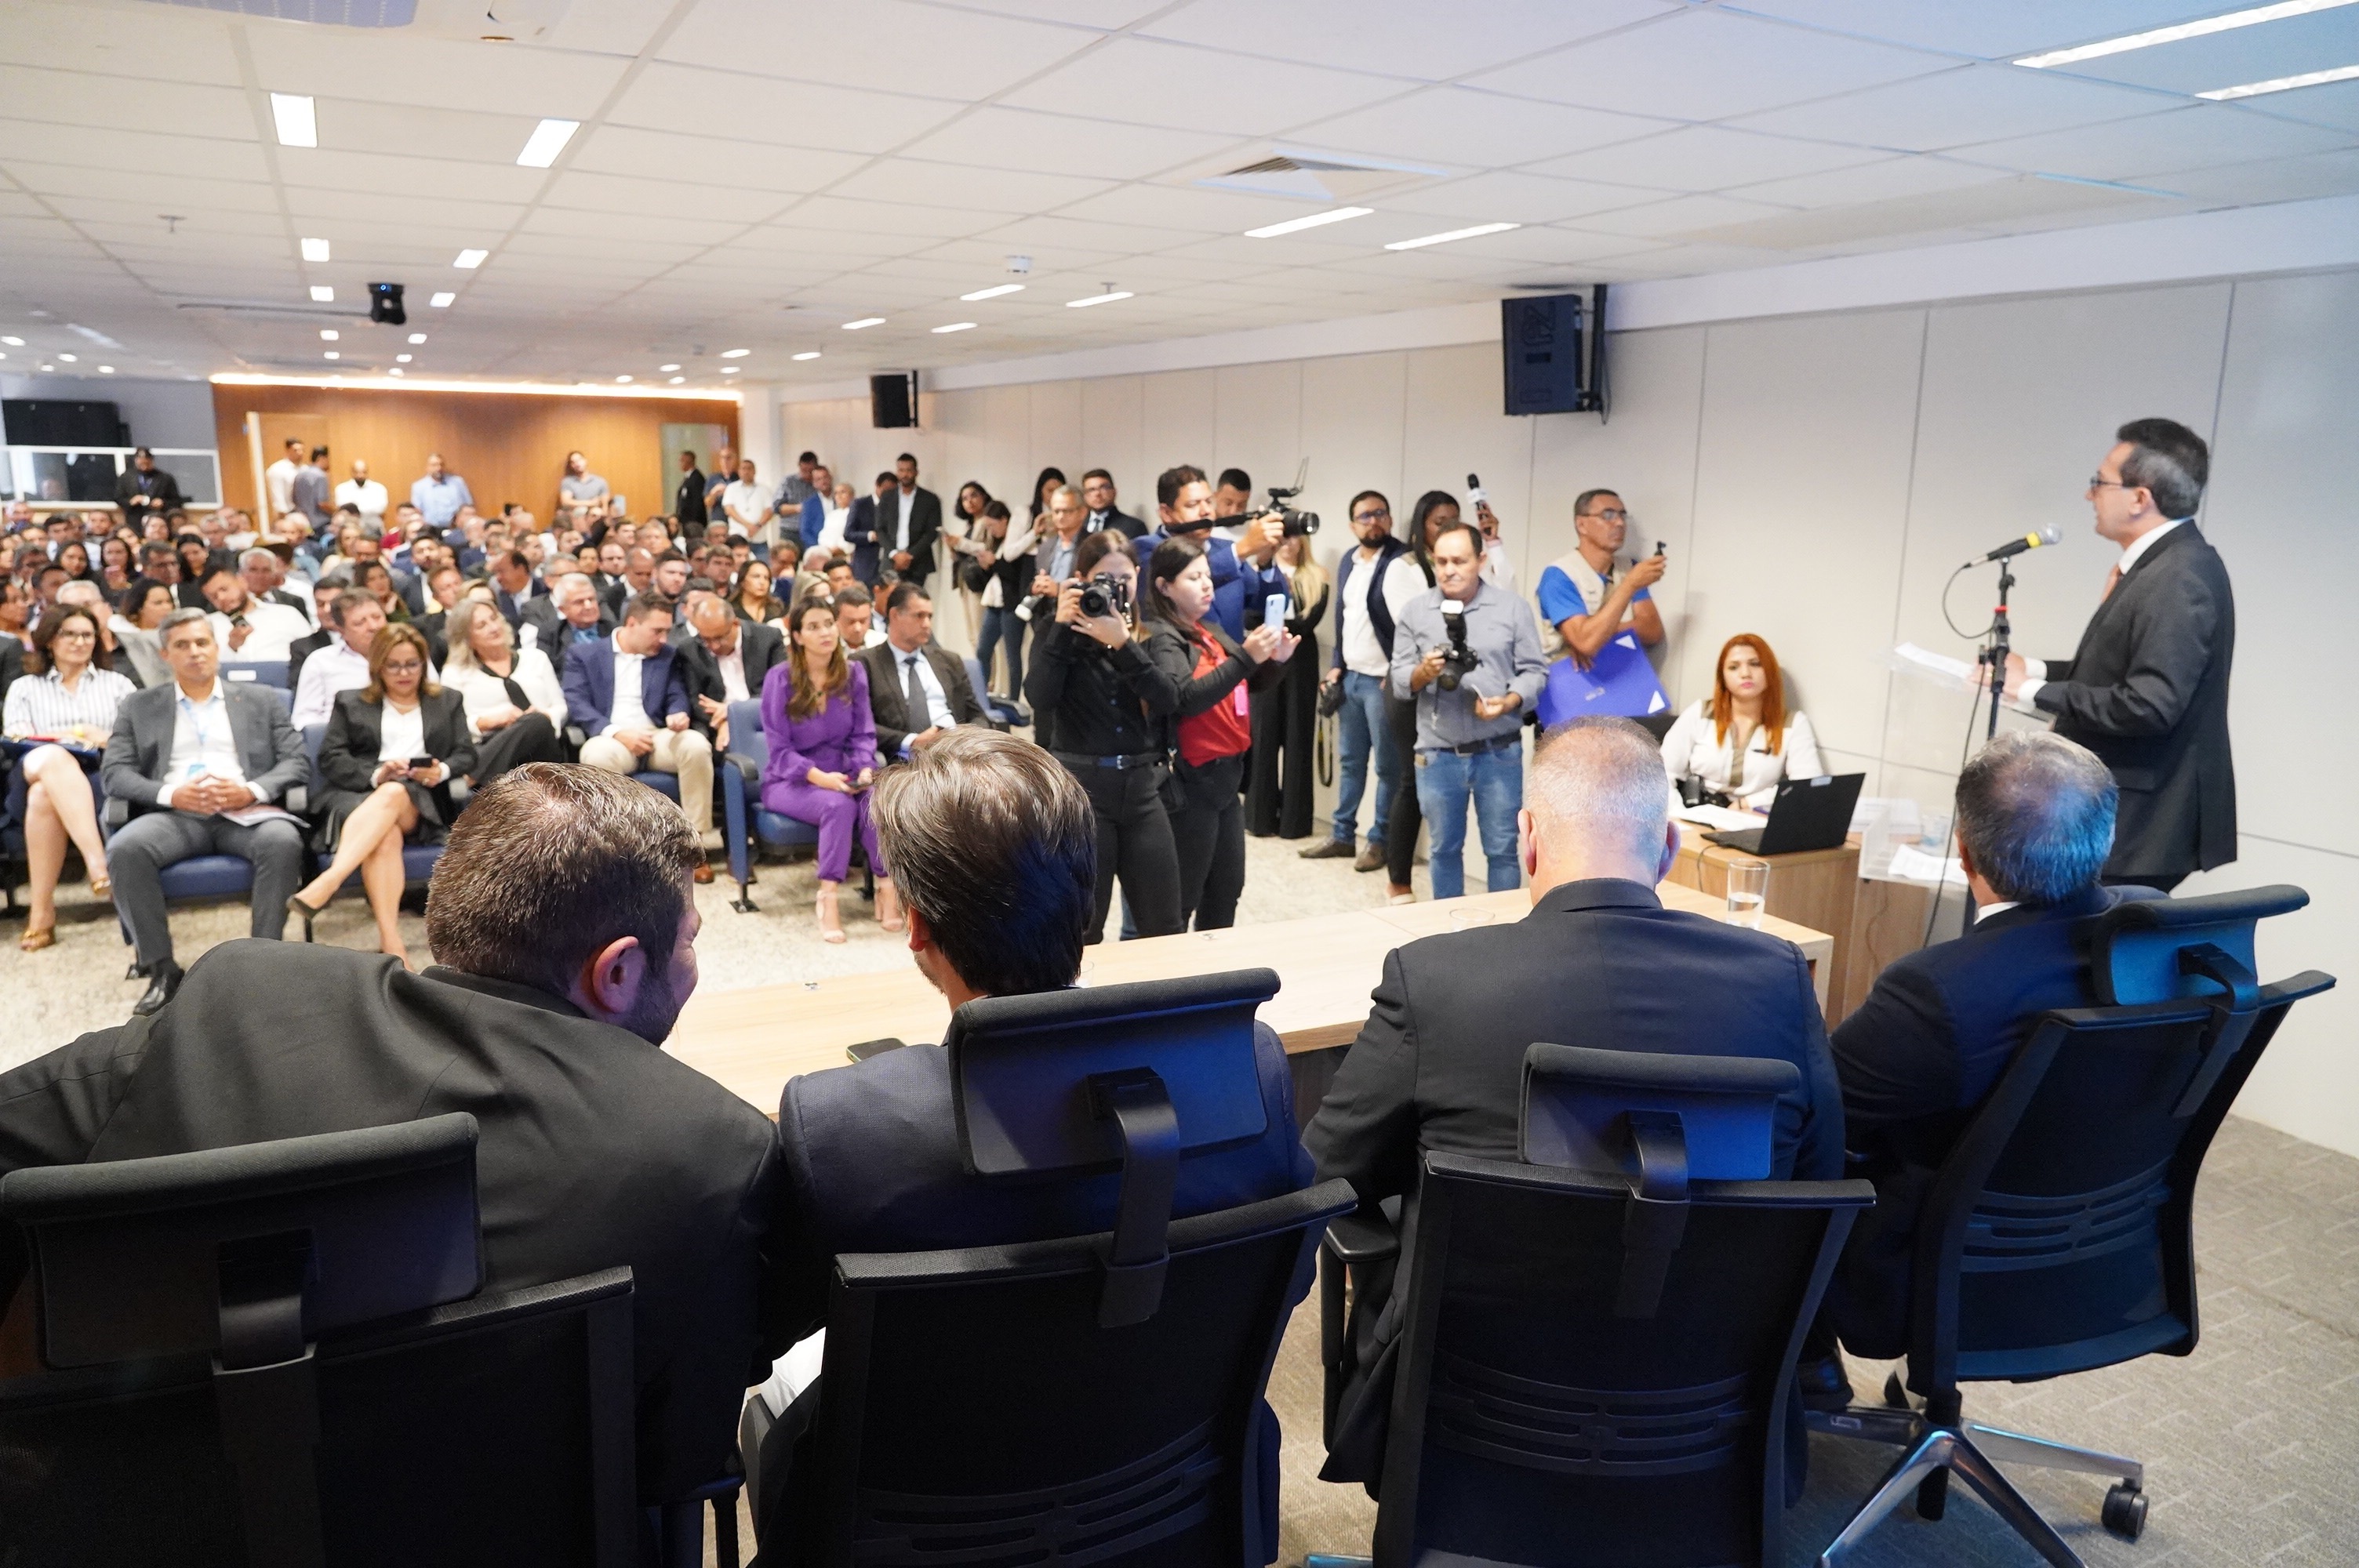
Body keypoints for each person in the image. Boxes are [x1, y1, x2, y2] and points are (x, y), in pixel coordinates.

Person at [0, 762, 788, 1506]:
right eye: (689, 937)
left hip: (125, 1515)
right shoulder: (707, 1147)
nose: (692, 957)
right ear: (615, 973)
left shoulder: (239, 1001)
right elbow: (676, 1460)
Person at [753, 728, 1313, 1541]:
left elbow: (761, 1332)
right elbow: (1285, 1278)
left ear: (916, 924)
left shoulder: (840, 1124)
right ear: (1086, 899)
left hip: (928, 1526)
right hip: (1167, 1492)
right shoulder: (1245, 1070)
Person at [1304, 716, 1845, 1482]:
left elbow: (1324, 1171)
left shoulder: (1434, 982)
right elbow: (1817, 1184)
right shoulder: (1781, 981)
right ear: (1667, 846)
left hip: (1468, 1419)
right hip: (1705, 1412)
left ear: (1525, 838)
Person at [1817, 729, 2143, 1370]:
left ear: (1963, 851)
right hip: (2108, 1255)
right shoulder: (2158, 939)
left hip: (1930, 1264)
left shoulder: (1940, 991)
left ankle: (1803, 1373)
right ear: (2107, 839)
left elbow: (1816, 1106)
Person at [1997, 417, 2234, 891]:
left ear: (2140, 498)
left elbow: (2149, 704)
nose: (2089, 495)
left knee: (2089, 938)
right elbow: (2124, 671)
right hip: (2131, 817)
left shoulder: (2178, 576)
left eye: (2099, 482)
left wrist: (2033, 691)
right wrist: (2033, 669)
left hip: (2144, 823)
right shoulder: (2166, 564)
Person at [99, 609, 311, 1013]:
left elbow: (296, 761)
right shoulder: (139, 705)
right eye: (182, 645)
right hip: (175, 815)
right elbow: (115, 774)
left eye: (202, 642)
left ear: (216, 647)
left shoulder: (262, 699)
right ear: (165, 654)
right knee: (126, 848)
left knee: (282, 840)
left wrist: (249, 790)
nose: (195, 652)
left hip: (244, 813)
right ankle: (162, 968)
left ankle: (262, 963)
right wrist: (171, 794)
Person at [1026, 528, 1181, 942]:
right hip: (1082, 790)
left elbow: (1168, 699)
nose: (1115, 588)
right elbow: (1039, 697)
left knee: (1165, 924)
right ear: (1080, 579)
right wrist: (1063, 627)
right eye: (1104, 578)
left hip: (1142, 788)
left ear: (1138, 576)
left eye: (1124, 578)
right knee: (1082, 927)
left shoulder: (1149, 634)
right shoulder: (1054, 629)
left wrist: (1123, 645)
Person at [285, 624, 474, 964]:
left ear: (423, 664)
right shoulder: (351, 702)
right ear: (378, 667)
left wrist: (441, 771)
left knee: (395, 793)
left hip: (423, 801)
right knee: (386, 831)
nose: (404, 673)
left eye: (412, 664)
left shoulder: (447, 700)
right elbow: (331, 757)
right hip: (360, 796)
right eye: (393, 665)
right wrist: (377, 774)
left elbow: (466, 754)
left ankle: (330, 881)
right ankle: (392, 944)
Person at [1142, 536, 1296, 930]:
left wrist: (1274, 661)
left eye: (1207, 576)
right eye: (1194, 578)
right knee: (1183, 899)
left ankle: (1214, 966)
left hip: (1227, 777)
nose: (1207, 585)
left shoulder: (1208, 630)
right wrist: (1246, 657)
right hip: (1191, 780)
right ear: (1164, 587)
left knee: (1226, 890)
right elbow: (1184, 699)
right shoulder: (1163, 637)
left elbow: (1245, 682)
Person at [1392, 520, 1546, 900]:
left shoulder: (1512, 608)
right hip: (1437, 752)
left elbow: (1534, 671)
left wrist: (1509, 701)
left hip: (1499, 751)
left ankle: (1504, 930)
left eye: (1459, 561)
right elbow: (1399, 680)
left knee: (1503, 850)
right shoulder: (1416, 611)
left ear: (1480, 560)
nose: (1449, 570)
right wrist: (1422, 672)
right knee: (1443, 850)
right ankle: (1448, 929)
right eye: (1441, 562)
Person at [761, 597, 900, 943]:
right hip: (790, 779)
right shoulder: (779, 679)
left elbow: (863, 734)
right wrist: (819, 777)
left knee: (874, 799)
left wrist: (864, 769)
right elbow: (779, 750)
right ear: (797, 636)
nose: (825, 632)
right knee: (837, 805)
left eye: (828, 624)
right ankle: (829, 897)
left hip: (844, 773)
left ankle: (887, 887)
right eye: (813, 627)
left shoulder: (853, 673)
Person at [5, 604, 134, 951]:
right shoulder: (24, 687)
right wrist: (73, 735)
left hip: (98, 775)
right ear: (49, 640)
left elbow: (137, 739)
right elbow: (18, 737)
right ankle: (98, 864)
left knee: (44, 797)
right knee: (52, 757)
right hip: (32, 769)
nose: (80, 642)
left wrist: (104, 738)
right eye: (70, 634)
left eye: (87, 635)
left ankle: (41, 915)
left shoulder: (117, 684)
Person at [1304, 489, 1419, 874]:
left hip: (1383, 681)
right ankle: (1341, 835)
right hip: (1351, 677)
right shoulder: (1348, 561)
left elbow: (1411, 624)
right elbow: (1345, 616)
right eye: (1365, 516)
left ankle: (1380, 841)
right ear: (1353, 525)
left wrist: (1398, 669)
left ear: (1390, 518)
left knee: (1388, 768)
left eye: (1380, 513)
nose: (1374, 521)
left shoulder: (1402, 561)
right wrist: (1336, 665)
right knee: (1351, 762)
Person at [564, 590, 716, 873]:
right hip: (613, 736)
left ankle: (694, 846)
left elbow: (676, 693)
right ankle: (619, 854)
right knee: (595, 755)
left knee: (695, 745)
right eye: (657, 631)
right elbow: (577, 703)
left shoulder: (667, 655)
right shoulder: (585, 654)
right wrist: (616, 732)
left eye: (667, 631)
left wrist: (678, 712)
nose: (663, 639)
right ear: (632, 623)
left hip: (657, 734)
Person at [1659, 633, 1825, 810]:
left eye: (1755, 664)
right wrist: (1679, 815)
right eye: (1734, 667)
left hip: (1753, 816)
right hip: (1694, 812)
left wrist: (1747, 803)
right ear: (1722, 676)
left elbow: (1806, 784)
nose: (1745, 674)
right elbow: (1662, 773)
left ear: (1769, 671)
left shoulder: (1793, 723)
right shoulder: (1701, 713)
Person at [1134, 464, 1285, 644]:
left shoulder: (1225, 548)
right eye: (1193, 505)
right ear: (1166, 513)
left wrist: (1266, 561)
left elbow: (1265, 604)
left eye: (1208, 502)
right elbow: (1181, 576)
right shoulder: (1146, 548)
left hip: (1236, 659)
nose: (1206, 511)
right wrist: (1241, 550)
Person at [1247, 528, 1329, 839]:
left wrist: (1275, 622)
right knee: (1263, 735)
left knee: (1298, 738)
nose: (1287, 543)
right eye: (1282, 537)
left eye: (1293, 536)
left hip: (1301, 661)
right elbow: (1249, 618)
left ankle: (1295, 822)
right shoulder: (1258, 573)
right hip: (1266, 657)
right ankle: (1259, 818)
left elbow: (1307, 623)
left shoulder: (1318, 576)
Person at [440, 598, 568, 785]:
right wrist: (490, 721)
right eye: (482, 626)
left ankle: (475, 776)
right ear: (467, 638)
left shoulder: (535, 658)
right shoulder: (455, 673)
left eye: (494, 619)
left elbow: (560, 707)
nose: (493, 628)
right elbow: (453, 727)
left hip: (543, 745)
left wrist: (545, 715)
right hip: (490, 743)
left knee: (536, 721)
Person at [856, 581, 985, 763]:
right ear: (894, 615)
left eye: (929, 617)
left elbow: (977, 715)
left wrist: (966, 740)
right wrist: (912, 741)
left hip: (957, 753)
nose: (927, 624)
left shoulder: (949, 661)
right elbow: (861, 726)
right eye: (919, 616)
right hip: (904, 759)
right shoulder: (866, 664)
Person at [1535, 488, 1666, 666]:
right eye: (1608, 515)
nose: (1619, 523)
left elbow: (1652, 631)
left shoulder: (1630, 568)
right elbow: (1587, 643)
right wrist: (1629, 585)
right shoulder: (1560, 575)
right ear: (1581, 525)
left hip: (1621, 671)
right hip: (1571, 674)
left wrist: (1602, 632)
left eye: (1622, 515)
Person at [679, 590, 786, 753]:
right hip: (717, 727)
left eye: (719, 638)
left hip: (765, 717)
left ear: (736, 624)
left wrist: (733, 712)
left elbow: (779, 690)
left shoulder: (768, 638)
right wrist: (724, 722)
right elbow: (697, 702)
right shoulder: (690, 650)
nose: (714, 646)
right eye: (706, 639)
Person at [292, 589, 395, 728]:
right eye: (360, 623)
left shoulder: (407, 656)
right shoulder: (320, 661)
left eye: (377, 617)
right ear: (341, 631)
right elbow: (305, 718)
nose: (373, 627)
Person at [1024, 481, 1089, 669]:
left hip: (1079, 630)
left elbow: (1094, 588)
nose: (1060, 516)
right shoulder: (1046, 547)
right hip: (1045, 626)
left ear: (1082, 512)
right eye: (1056, 511)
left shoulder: (1093, 545)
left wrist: (1059, 590)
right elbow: (1034, 582)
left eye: (1067, 511)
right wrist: (1036, 587)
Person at [201, 564, 310, 663]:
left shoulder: (287, 615)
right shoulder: (206, 625)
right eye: (214, 597)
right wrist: (231, 647)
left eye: (224, 589)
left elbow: (312, 653)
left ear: (242, 582)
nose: (221, 598)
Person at [522, 570, 616, 664]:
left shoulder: (612, 629)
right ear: (562, 609)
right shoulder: (551, 634)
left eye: (591, 599)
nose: (589, 606)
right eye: (579, 602)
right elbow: (544, 667)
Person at [879, 452, 940, 586]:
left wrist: (909, 556)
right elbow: (880, 529)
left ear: (916, 472)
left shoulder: (930, 499)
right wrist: (895, 554)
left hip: (918, 561)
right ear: (897, 472)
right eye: (901, 470)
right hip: (891, 560)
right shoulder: (887, 497)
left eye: (909, 470)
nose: (905, 475)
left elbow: (932, 532)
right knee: (891, 597)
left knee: (914, 598)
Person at [111, 578, 177, 689]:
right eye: (158, 603)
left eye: (169, 602)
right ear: (139, 607)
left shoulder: (177, 633)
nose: (167, 607)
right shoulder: (122, 636)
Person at [113, 448, 186, 528]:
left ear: (152, 461)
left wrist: (163, 503)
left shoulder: (165, 478)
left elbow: (177, 501)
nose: (144, 464)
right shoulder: (126, 478)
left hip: (158, 518)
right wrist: (131, 501)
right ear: (135, 460)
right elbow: (118, 498)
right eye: (141, 461)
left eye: (147, 461)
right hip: (135, 519)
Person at [721, 457, 774, 545]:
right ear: (739, 471)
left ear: (755, 471)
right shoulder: (731, 488)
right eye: (743, 469)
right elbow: (729, 510)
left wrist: (757, 526)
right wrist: (748, 525)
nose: (746, 472)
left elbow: (769, 511)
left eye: (749, 469)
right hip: (737, 537)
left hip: (759, 538)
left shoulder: (764, 489)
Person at [1080, 468, 1145, 539]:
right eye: (1091, 490)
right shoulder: (1077, 525)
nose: (1097, 494)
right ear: (1084, 496)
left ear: (1114, 492)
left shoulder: (1134, 527)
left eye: (1103, 488)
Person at [729, 556, 788, 626]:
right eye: (756, 576)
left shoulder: (778, 610)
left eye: (766, 578)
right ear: (742, 581)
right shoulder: (730, 610)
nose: (762, 582)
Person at [334, 459, 390, 529]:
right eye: (357, 472)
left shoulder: (379, 488)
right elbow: (343, 508)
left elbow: (380, 509)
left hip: (373, 526)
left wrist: (356, 510)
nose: (360, 476)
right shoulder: (342, 489)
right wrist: (368, 507)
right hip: (350, 527)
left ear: (367, 472)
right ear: (352, 472)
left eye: (364, 472)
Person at [291, 446, 333, 534]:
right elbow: (322, 504)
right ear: (321, 458)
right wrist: (335, 512)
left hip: (303, 523)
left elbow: (294, 499)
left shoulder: (299, 475)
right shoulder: (321, 476)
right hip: (319, 524)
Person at [831, 581, 884, 651]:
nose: (858, 628)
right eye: (851, 622)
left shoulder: (882, 644)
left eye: (863, 621)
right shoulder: (827, 648)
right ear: (836, 619)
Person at [264, 437, 306, 521]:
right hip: (289, 513)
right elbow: (278, 495)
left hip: (305, 513)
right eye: (296, 450)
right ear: (288, 450)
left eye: (302, 450)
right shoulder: (278, 470)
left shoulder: (305, 469)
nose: (300, 453)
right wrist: (284, 516)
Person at [559, 449, 609, 514]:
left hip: (594, 516)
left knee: (597, 511)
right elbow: (565, 502)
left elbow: (605, 507)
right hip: (575, 516)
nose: (577, 464)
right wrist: (590, 503)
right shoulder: (568, 482)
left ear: (585, 461)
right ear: (571, 466)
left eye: (579, 460)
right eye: (573, 462)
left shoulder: (600, 481)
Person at [673, 448, 708, 535]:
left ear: (688, 461)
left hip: (693, 522)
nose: (679, 464)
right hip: (686, 521)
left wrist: (694, 522)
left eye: (681, 461)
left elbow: (697, 502)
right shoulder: (688, 478)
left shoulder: (697, 478)